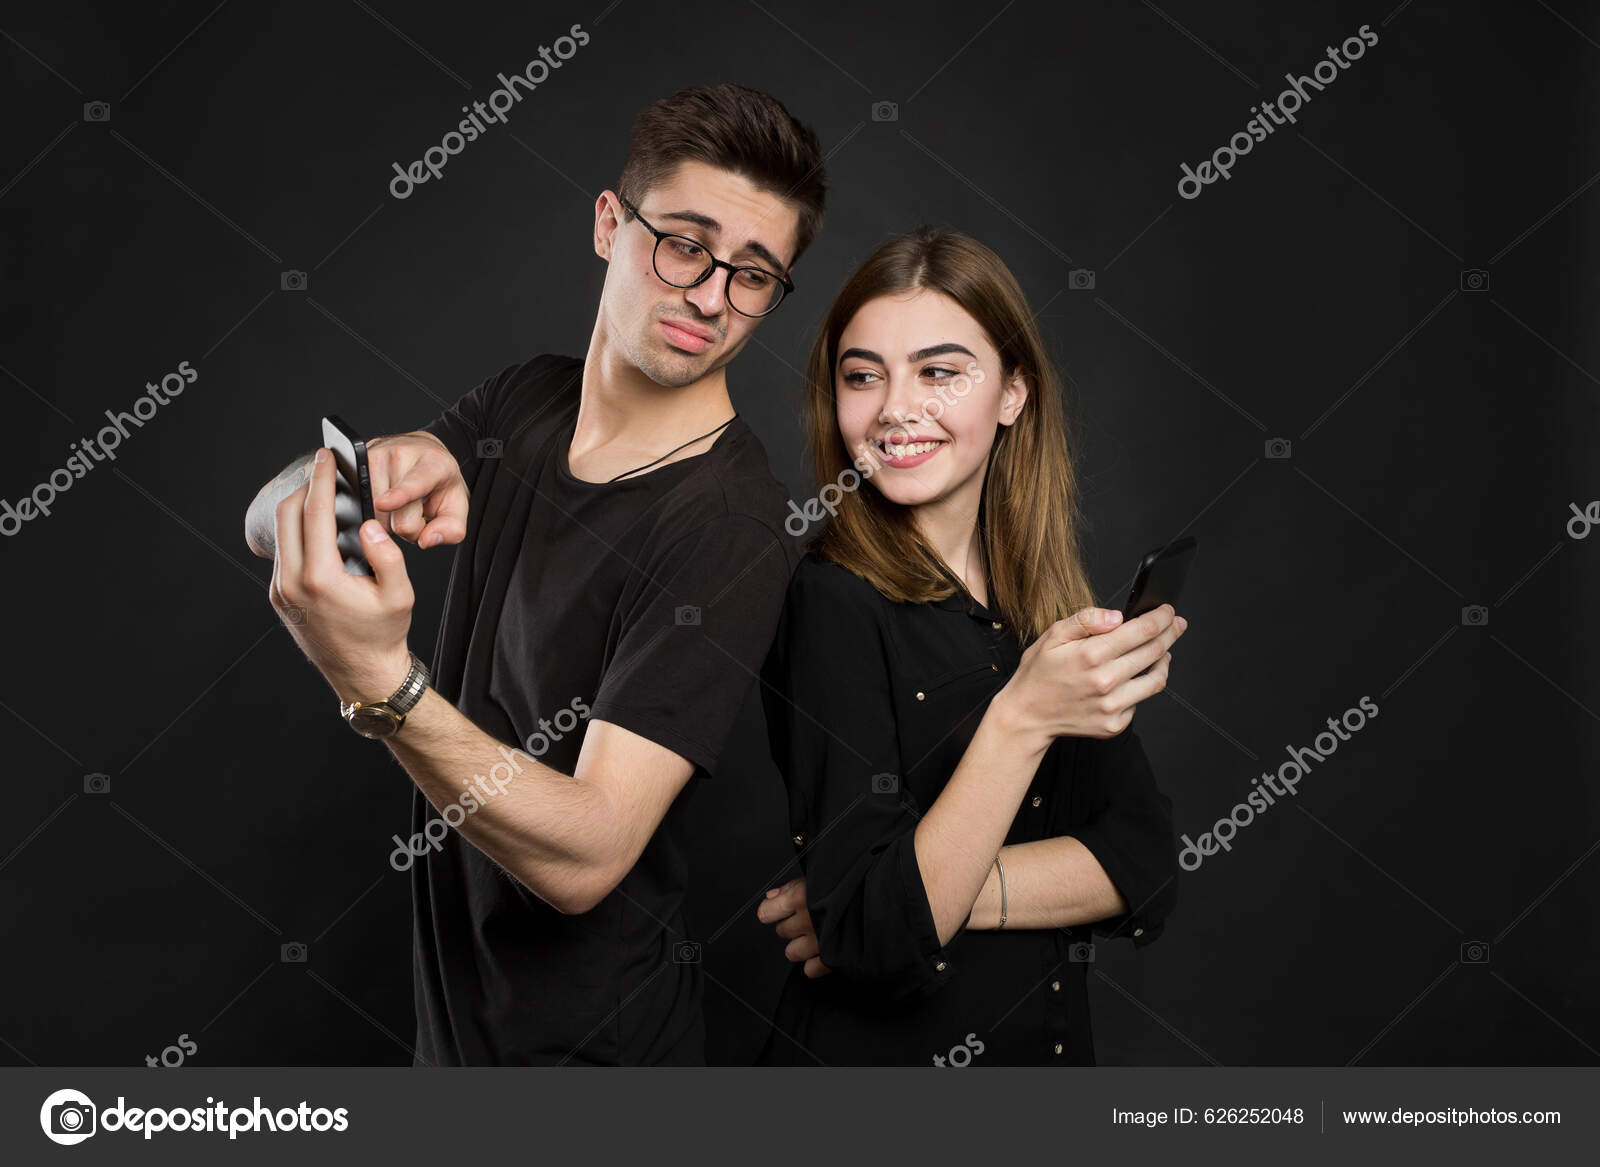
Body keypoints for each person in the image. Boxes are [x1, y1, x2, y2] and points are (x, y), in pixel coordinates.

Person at [242, 83, 827, 1065]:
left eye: (755, 275)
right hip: (455, 1046)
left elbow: (591, 855)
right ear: (610, 222)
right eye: (683, 243)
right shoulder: (525, 401)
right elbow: (264, 518)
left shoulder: (728, 526)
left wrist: (378, 682)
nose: (710, 297)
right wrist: (374, 462)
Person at [753, 227, 1186, 1066]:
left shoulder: (1040, 609)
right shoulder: (830, 601)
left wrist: (947, 895)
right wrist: (1021, 719)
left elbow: (1145, 868)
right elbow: (877, 938)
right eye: (862, 375)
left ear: (1014, 393)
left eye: (939, 371)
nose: (893, 408)